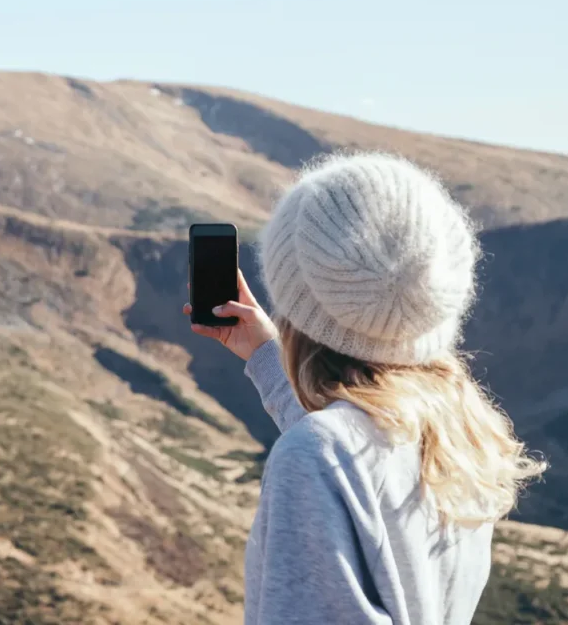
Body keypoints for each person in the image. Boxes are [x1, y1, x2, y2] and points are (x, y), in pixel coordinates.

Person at [183, 152, 545, 624]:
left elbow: (334, 456)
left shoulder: (316, 456)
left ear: (296, 300)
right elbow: (354, 454)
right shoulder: (456, 436)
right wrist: (265, 358)